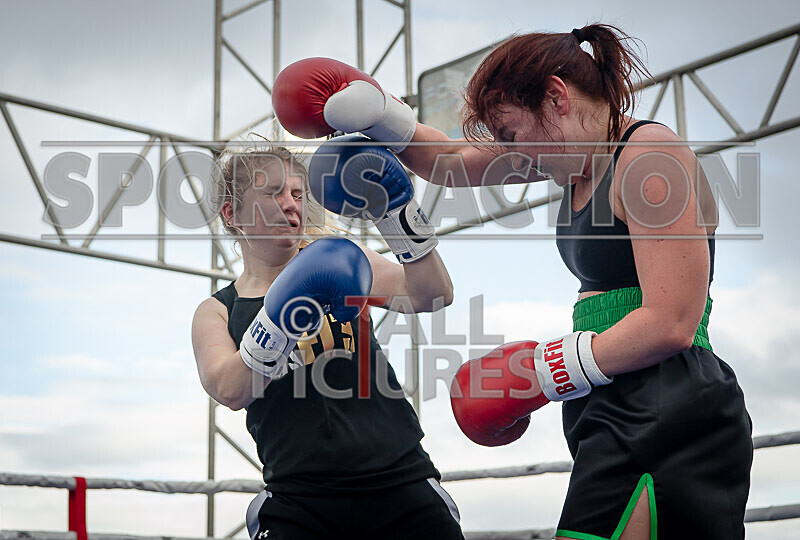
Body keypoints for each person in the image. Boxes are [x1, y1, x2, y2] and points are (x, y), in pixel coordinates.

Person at [271, 23, 754, 540]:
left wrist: (541, 371)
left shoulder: (649, 156)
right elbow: (451, 162)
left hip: (670, 400)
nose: (516, 154)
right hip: (613, 392)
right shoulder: (576, 155)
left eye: (512, 134)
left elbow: (673, 322)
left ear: (556, 96)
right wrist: (380, 113)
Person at [191, 141, 464, 540]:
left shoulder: (341, 259)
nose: (291, 204)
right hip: (300, 502)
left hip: (401, 481)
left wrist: (398, 214)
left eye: (298, 193)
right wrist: (280, 314)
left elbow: (432, 294)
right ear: (232, 213)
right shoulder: (217, 310)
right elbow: (230, 389)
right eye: (273, 192)